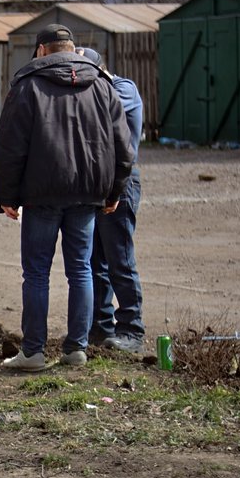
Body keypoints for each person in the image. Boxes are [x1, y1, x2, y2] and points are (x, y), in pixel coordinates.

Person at [0, 24, 134, 371]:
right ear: (72, 48)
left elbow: (10, 147)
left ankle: (34, 352)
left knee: (37, 273)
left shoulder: (27, 86)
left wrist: (5, 195)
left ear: (41, 51)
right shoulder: (103, 85)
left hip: (41, 194)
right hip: (87, 193)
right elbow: (123, 146)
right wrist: (114, 191)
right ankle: (76, 349)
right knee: (80, 270)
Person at [77, 47, 146, 354]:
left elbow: (103, 119)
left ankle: (131, 329)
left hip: (121, 183)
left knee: (120, 259)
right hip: (95, 184)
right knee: (94, 261)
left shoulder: (123, 88)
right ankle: (101, 327)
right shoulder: (97, 91)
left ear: (100, 72)